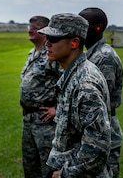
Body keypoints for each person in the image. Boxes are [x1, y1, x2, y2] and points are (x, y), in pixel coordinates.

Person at [38, 13, 112, 178]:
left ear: (74, 42)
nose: (47, 43)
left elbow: (97, 147)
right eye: (47, 37)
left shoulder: (85, 84)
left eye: (53, 38)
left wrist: (65, 174)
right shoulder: (74, 75)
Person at [79, 7, 123, 178]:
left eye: (83, 25)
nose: (78, 29)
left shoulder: (104, 57)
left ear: (98, 27)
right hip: (92, 131)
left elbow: (100, 100)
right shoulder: (90, 55)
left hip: (103, 134)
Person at [20, 15, 63, 178]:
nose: (30, 30)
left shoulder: (52, 54)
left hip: (45, 122)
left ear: (45, 32)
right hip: (29, 119)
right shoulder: (32, 53)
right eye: (29, 26)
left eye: (35, 28)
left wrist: (57, 109)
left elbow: (68, 82)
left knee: (48, 167)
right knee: (30, 166)